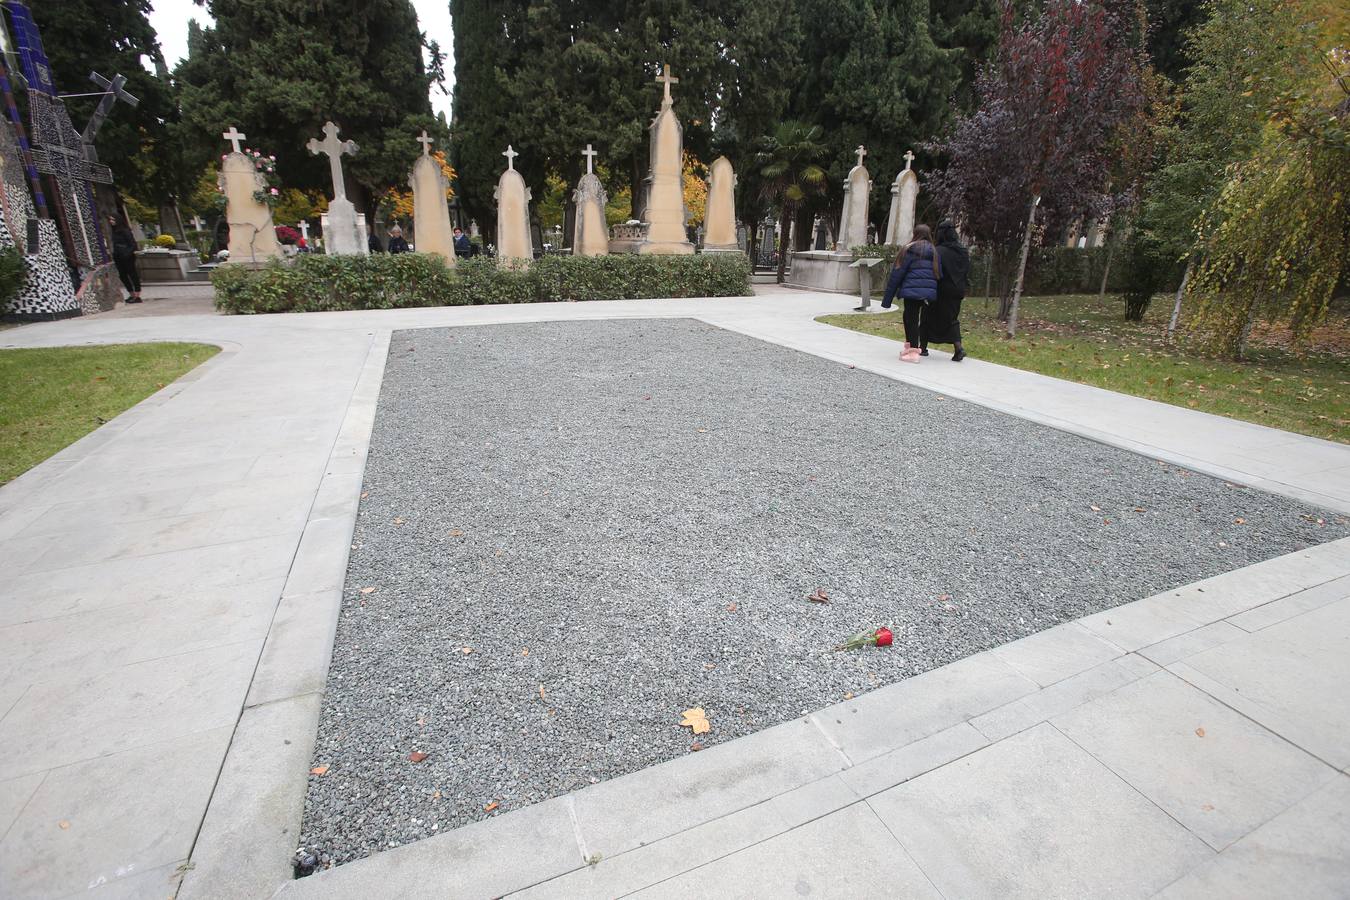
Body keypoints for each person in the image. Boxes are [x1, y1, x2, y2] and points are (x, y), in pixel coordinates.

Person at [880, 223, 940, 362]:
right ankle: (911, 347)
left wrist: (887, 300)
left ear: (915, 234)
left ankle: (912, 351)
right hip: (928, 292)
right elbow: (938, 273)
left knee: (910, 318)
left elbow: (897, 273)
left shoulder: (908, 249)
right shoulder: (934, 251)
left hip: (911, 290)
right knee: (914, 318)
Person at [925, 221, 970, 362]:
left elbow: (933, 271)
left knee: (927, 316)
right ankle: (958, 348)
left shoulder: (938, 251)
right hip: (958, 289)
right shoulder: (963, 251)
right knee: (952, 318)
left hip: (941, 288)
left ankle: (922, 346)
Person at [109, 215, 141, 303]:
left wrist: (127, 254)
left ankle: (137, 295)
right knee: (123, 275)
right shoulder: (114, 232)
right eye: (110, 219)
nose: (111, 221)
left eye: (113, 219)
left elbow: (133, 244)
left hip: (127, 256)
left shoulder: (125, 231)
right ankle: (131, 294)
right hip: (118, 256)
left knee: (132, 274)